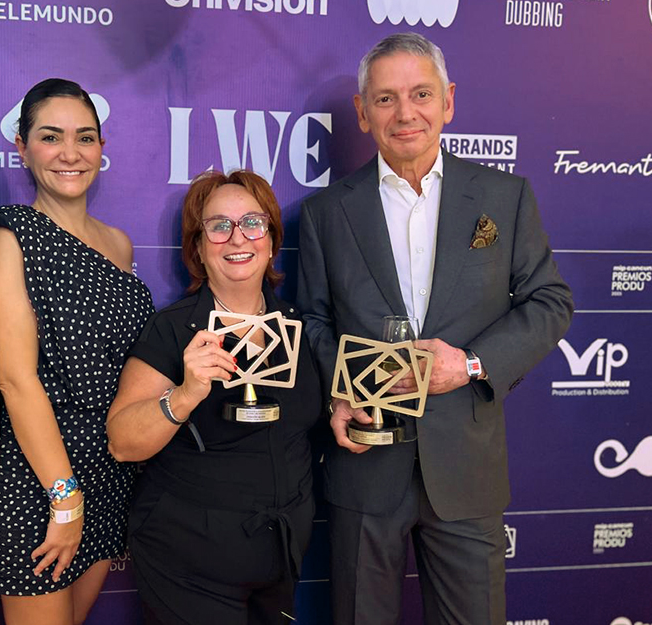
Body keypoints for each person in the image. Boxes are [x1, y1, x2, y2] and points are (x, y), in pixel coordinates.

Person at [297, 33, 574, 625]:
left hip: (467, 470)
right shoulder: (325, 214)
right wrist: (340, 391)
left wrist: (470, 364)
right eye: (386, 98)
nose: (405, 113)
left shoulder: (505, 197)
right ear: (362, 112)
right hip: (365, 461)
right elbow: (313, 321)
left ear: (448, 101)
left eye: (421, 94)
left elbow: (550, 301)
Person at [0, 78, 153, 625]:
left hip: (109, 470)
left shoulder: (119, 243)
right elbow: (15, 380)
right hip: (39, 480)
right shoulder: (12, 234)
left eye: (85, 137)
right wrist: (64, 497)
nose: (70, 153)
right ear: (22, 148)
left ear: (100, 147)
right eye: (51, 137)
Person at [108, 170, 323, 625]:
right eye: (219, 226)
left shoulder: (298, 326)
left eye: (252, 223)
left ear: (271, 240)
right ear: (198, 247)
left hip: (279, 561)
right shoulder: (173, 329)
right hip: (189, 567)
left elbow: (311, 429)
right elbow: (123, 442)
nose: (238, 237)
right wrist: (184, 395)